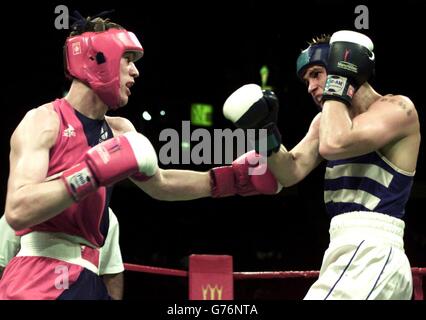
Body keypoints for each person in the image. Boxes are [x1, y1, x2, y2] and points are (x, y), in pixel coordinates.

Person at [0, 13, 280, 299]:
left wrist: (232, 179)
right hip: (39, 276)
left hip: (88, 277)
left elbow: (162, 183)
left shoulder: (121, 131)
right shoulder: (44, 121)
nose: (136, 73)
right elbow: (18, 211)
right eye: (128, 60)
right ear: (98, 58)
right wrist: (92, 172)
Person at [222, 30, 420, 299]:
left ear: (343, 65)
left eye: (316, 74)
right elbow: (290, 171)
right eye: (306, 80)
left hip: (372, 248)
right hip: (345, 248)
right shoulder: (324, 124)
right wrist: (263, 132)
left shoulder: (397, 108)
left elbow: (334, 144)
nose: (310, 87)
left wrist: (339, 81)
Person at [0, 208, 125, 300]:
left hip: (84, 284)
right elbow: (2, 261)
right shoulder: (25, 203)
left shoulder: (106, 215)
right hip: (28, 278)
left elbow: (112, 271)